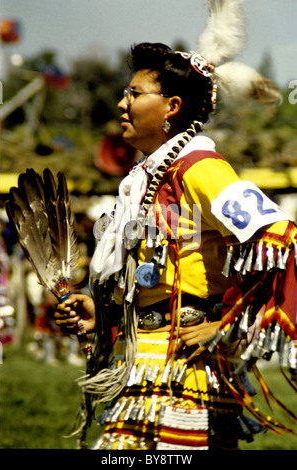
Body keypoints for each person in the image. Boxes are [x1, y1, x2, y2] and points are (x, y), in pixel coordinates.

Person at [55, 3, 297, 450]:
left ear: (171, 106)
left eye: (134, 93)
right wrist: (102, 315)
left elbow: (283, 241)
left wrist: (226, 324)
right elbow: (155, 276)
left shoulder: (200, 170)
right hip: (147, 363)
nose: (121, 103)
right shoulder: (145, 180)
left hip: (190, 371)